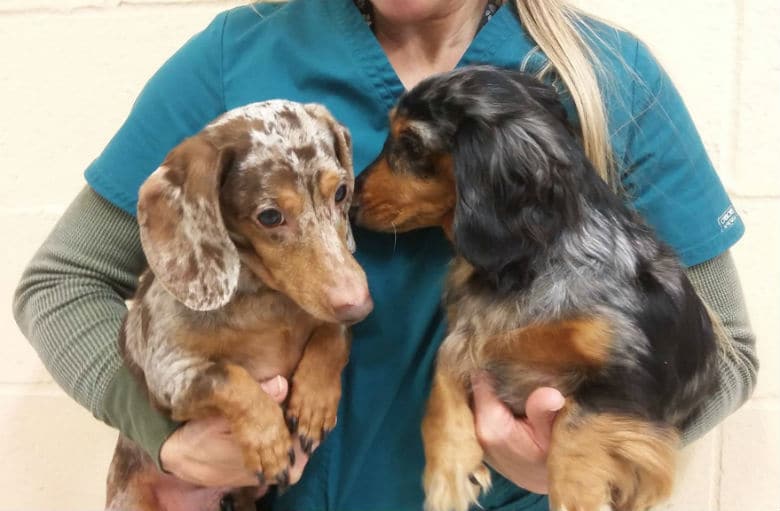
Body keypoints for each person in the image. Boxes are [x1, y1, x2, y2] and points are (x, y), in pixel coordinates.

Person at [13, 1, 757, 510]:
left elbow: (728, 354)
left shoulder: (605, 77)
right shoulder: (237, 57)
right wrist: (168, 439)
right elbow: (61, 282)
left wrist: (580, 452)